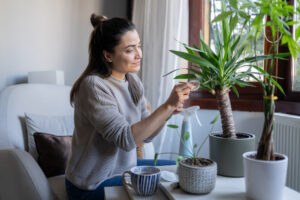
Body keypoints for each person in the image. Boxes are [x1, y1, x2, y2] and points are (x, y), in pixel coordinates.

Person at [65, 14, 193, 200]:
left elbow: (147, 137)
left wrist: (170, 111)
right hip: (92, 184)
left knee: (182, 168)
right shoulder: (94, 86)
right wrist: (166, 106)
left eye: (138, 46)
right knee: (165, 189)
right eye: (130, 50)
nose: (139, 54)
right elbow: (126, 140)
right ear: (108, 55)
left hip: (124, 171)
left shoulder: (133, 82)